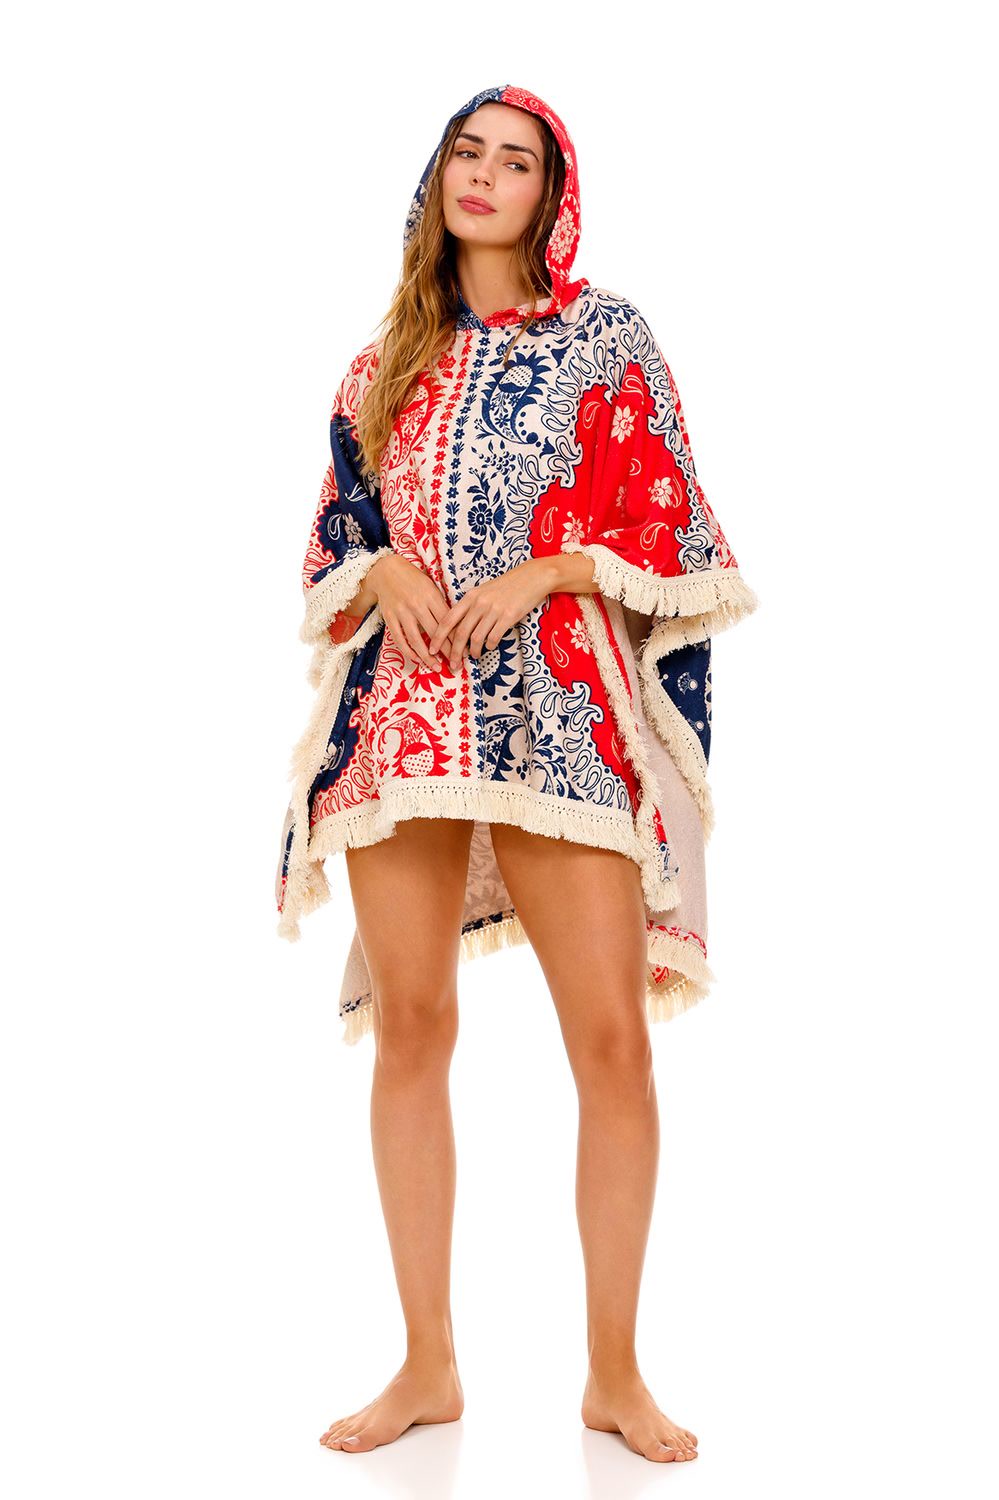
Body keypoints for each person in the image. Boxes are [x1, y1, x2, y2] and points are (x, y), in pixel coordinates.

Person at [274, 85, 759, 1463]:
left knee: (611, 1042)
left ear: (553, 193)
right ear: (438, 179)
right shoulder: (379, 367)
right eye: (466, 154)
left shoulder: (607, 339)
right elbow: (334, 539)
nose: (484, 176)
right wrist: (378, 569)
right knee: (414, 1028)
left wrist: (548, 572)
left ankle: (614, 1373)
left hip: (555, 714)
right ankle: (428, 1363)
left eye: (516, 161)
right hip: (408, 718)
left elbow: (675, 525)